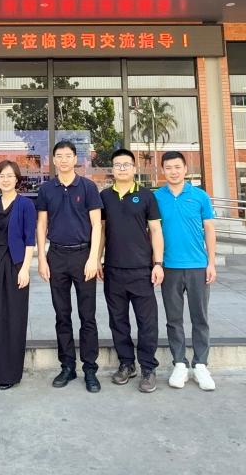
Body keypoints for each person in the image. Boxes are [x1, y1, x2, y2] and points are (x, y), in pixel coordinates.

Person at [36, 140, 104, 392]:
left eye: (68, 155)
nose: (63, 160)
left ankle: (90, 368)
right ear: (53, 160)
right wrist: (41, 258)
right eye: (59, 156)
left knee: (88, 316)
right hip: (56, 256)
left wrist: (93, 258)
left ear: (76, 159)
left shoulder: (87, 187)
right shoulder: (46, 189)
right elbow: (41, 225)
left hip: (83, 256)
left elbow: (96, 224)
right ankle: (67, 366)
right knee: (62, 315)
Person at [98, 148, 164, 393]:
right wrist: (97, 260)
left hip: (141, 270)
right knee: (118, 321)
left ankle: (148, 367)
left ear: (134, 168)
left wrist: (158, 263)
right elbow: (101, 231)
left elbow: (155, 230)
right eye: (118, 165)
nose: (122, 168)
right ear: (112, 169)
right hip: (113, 270)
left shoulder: (146, 196)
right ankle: (127, 363)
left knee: (147, 322)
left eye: (126, 164)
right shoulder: (105, 196)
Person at [155, 151, 218, 392]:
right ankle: (179, 363)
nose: (173, 171)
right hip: (169, 267)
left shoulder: (200, 196)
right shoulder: (157, 197)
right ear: (163, 170)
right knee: (174, 320)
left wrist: (211, 263)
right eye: (168, 167)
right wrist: (156, 263)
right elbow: (152, 231)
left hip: (197, 267)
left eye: (177, 167)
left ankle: (200, 364)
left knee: (200, 317)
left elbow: (209, 230)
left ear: (185, 169)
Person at [0, 160, 36, 390]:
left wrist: (25, 269)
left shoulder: (25, 205)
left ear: (17, 179)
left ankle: (9, 374)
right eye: (1, 176)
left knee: (12, 318)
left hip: (15, 264)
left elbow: (30, 239)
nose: (5, 179)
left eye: (10, 176)